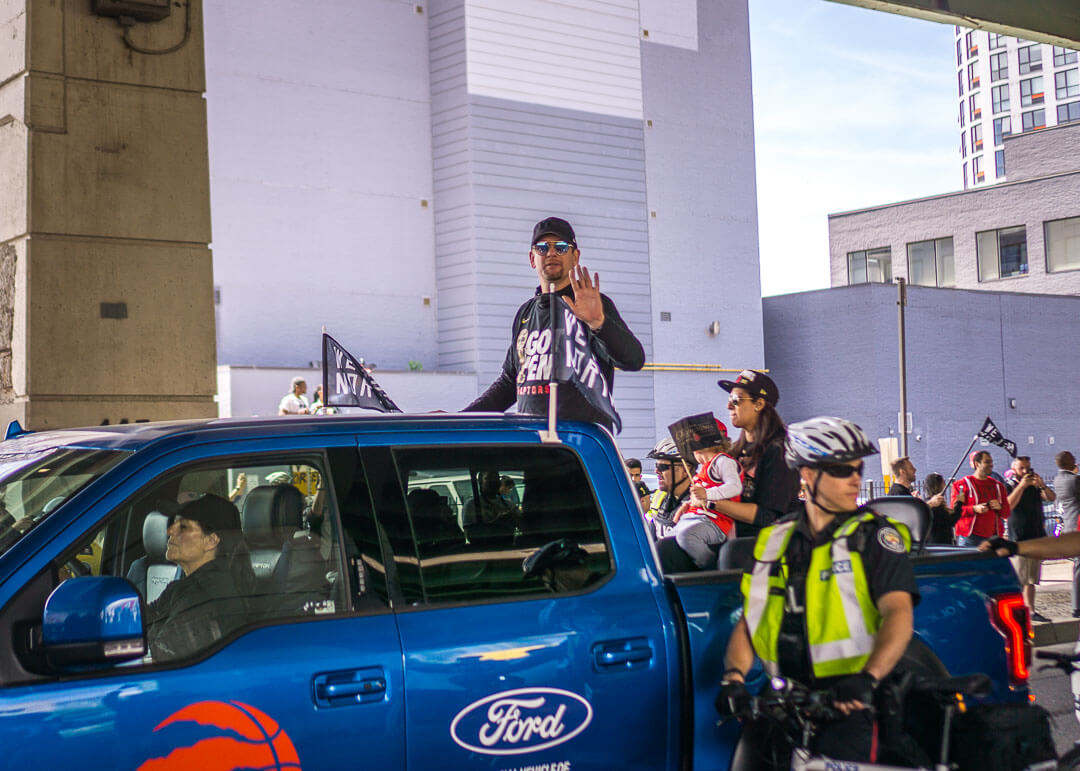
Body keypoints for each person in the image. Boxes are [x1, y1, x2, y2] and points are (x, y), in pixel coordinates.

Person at [717, 417, 919, 768]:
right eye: (842, 470)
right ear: (808, 475)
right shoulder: (773, 541)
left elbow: (898, 612)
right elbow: (752, 622)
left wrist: (866, 679)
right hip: (783, 706)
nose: (855, 478)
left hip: (850, 704)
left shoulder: (873, 537)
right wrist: (733, 677)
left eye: (857, 468)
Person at [462, 217, 644, 431]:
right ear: (532, 258)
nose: (551, 253)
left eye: (561, 247)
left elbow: (633, 360)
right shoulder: (525, 313)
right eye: (542, 248)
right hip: (535, 445)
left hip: (578, 448)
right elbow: (510, 383)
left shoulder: (593, 304)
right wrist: (460, 419)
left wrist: (598, 322)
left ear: (575, 256)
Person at [145, 495, 255, 661]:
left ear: (211, 541)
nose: (170, 531)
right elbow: (143, 618)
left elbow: (165, 657)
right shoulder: (185, 587)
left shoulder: (207, 596)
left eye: (183, 526)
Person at [710, 370, 800, 538]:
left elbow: (769, 517)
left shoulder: (780, 451)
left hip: (767, 542)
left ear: (759, 404)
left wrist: (711, 502)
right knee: (668, 547)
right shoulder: (735, 451)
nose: (728, 406)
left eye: (735, 400)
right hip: (731, 535)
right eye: (729, 400)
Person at [664, 422, 742, 569]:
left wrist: (707, 494)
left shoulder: (723, 462)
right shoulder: (705, 467)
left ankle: (710, 568)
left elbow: (735, 487)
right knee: (668, 539)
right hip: (696, 518)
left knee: (687, 536)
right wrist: (687, 504)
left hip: (715, 521)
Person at [1005, 456, 1056, 622]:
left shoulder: (1035, 487)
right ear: (1014, 469)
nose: (1026, 472)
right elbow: (1008, 506)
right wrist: (1022, 485)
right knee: (1020, 578)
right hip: (1019, 537)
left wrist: (1041, 484)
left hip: (1036, 536)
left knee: (1032, 579)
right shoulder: (1009, 485)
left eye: (1028, 467)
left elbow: (1051, 498)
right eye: (1022, 468)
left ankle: (1030, 610)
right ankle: (1018, 611)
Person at [952, 450, 1010, 547]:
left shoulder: (998, 486)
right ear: (977, 464)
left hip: (993, 538)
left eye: (991, 462)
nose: (991, 465)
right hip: (970, 538)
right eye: (987, 462)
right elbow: (955, 511)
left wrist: (999, 507)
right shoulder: (961, 485)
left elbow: (1006, 513)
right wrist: (974, 509)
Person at [644, 438, 691, 542]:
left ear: (684, 470)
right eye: (656, 466)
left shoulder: (698, 504)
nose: (656, 471)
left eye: (662, 467)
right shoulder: (661, 499)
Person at [1054, 451, 1080, 617]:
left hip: (1070, 526)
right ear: (1069, 462)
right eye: (1073, 459)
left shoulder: (1058, 480)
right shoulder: (1075, 480)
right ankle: (1076, 606)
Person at [922, 473, 960, 545]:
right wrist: (959, 503)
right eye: (943, 483)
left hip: (932, 542)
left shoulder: (926, 501)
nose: (945, 486)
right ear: (937, 486)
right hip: (940, 543)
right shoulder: (936, 505)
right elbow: (951, 521)